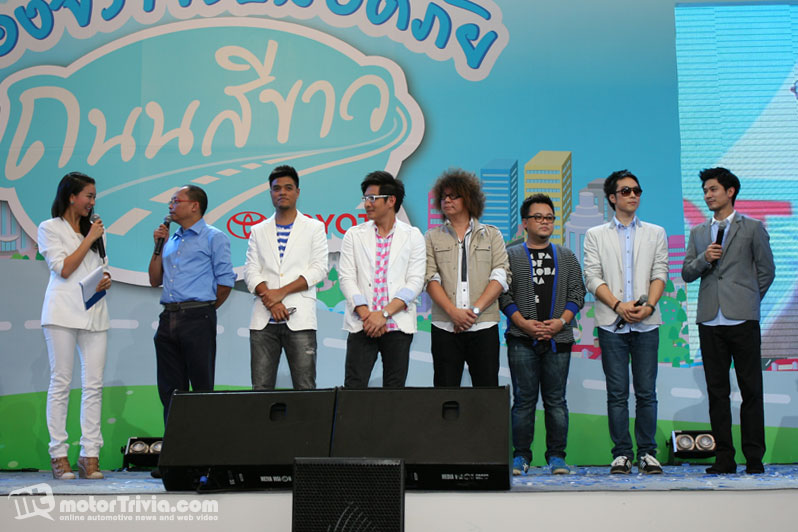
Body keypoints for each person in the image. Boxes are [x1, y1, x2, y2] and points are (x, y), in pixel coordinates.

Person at [682, 167, 775, 475]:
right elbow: (687, 272)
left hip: (743, 319)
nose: (707, 195)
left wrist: (748, 300)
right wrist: (704, 258)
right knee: (717, 392)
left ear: (730, 191)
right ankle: (724, 457)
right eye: (705, 191)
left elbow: (767, 270)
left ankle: (754, 457)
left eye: (713, 189)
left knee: (751, 390)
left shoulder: (752, 227)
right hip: (710, 320)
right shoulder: (698, 232)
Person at [583, 170, 668, 475]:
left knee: (646, 392)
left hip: (647, 323)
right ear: (612, 197)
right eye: (626, 191)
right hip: (612, 323)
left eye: (637, 191)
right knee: (617, 393)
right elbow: (592, 277)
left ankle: (647, 453)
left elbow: (660, 272)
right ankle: (621, 453)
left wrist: (649, 306)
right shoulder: (595, 234)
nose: (633, 195)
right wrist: (619, 306)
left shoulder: (656, 232)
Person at [500, 194, 585, 476]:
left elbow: (577, 292)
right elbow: (503, 294)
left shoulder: (566, 256)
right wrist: (522, 323)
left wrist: (561, 322)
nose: (545, 222)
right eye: (538, 217)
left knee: (556, 401)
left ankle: (557, 457)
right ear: (525, 223)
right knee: (523, 401)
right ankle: (521, 457)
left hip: (559, 340)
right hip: (521, 339)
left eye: (549, 217)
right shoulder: (511, 255)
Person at [38, 171, 113, 480]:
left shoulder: (95, 231)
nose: (92, 202)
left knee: (93, 385)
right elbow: (65, 268)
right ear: (71, 197)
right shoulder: (50, 228)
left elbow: (100, 268)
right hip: (62, 313)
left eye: (94, 197)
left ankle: (89, 455)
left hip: (95, 312)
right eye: (88, 196)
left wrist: (106, 280)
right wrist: (90, 238)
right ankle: (58, 454)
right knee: (61, 382)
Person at [149, 185, 235, 425]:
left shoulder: (214, 237)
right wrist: (158, 246)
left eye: (176, 201)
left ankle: (202, 444)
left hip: (197, 318)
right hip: (168, 318)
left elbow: (225, 282)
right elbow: (154, 279)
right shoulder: (170, 240)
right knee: (169, 390)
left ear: (194, 206)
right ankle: (175, 444)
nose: (170, 206)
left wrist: (204, 310)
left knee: (201, 387)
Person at [244, 165, 329, 390]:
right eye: (277, 188)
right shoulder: (258, 230)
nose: (282, 192)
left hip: (300, 319)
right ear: (270, 193)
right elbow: (251, 271)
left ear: (297, 192)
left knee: (305, 387)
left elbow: (319, 269)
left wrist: (281, 293)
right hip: (263, 320)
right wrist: (271, 301)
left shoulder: (314, 227)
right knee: (260, 388)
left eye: (288, 188)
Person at [338, 171, 426, 388]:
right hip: (363, 324)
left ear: (391, 201)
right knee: (354, 389)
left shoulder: (413, 235)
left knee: (394, 392)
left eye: (372, 198)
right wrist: (368, 316)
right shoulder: (354, 235)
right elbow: (346, 277)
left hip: (397, 325)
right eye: (365, 198)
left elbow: (415, 282)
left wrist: (384, 314)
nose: (367, 204)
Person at [424, 168, 509, 387]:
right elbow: (430, 278)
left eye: (453, 196)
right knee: (444, 392)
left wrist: (474, 312)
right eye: (444, 197)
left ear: (469, 198)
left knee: (486, 391)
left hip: (483, 326)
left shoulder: (491, 234)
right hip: (445, 326)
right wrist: (453, 313)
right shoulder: (432, 237)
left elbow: (500, 275)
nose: (447, 200)